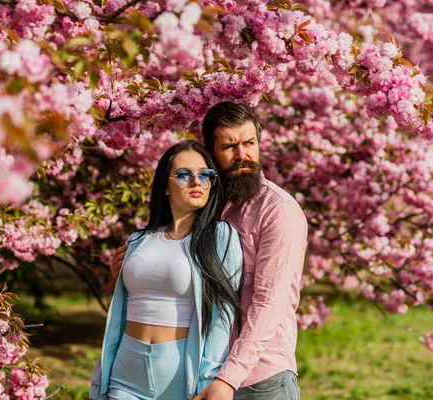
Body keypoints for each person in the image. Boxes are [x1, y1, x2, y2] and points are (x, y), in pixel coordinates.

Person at [109, 102, 308, 400]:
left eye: (249, 143)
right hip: (199, 374)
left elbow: (269, 304)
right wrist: (130, 272)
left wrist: (227, 380)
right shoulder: (206, 207)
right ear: (211, 153)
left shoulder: (278, 211)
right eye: (230, 146)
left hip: (259, 379)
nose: (243, 155)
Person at [89, 140, 244, 400]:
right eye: (184, 174)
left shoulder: (220, 237)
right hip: (126, 371)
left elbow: (222, 317)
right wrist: (121, 280)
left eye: (205, 175)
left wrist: (211, 376)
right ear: (165, 186)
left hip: (181, 376)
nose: (197, 182)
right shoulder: (138, 239)